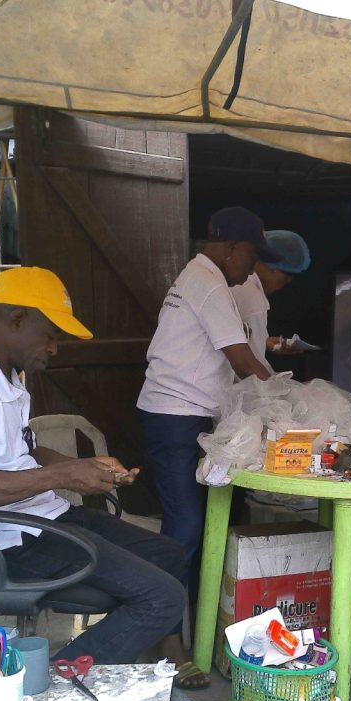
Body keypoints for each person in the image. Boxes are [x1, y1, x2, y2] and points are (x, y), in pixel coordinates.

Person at [0, 266, 191, 672]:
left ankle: (158, 655)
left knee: (168, 553)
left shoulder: (6, 376)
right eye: (49, 335)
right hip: (7, 540)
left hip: (41, 518)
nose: (54, 348)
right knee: (162, 598)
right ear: (17, 319)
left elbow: (23, 451)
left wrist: (84, 467)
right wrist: (64, 477)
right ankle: (51, 685)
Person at [137, 206, 279, 670]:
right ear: (232, 248)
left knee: (209, 525)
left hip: (192, 415)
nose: (253, 269)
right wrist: (285, 400)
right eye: (252, 257)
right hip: (175, 416)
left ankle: (202, 626)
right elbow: (243, 360)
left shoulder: (204, 278)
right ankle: (166, 638)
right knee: (184, 529)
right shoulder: (210, 283)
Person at [230, 229, 311, 367]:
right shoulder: (251, 296)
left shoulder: (238, 282)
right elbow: (250, 366)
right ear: (273, 267)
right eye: (286, 276)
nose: (285, 283)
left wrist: (263, 341)